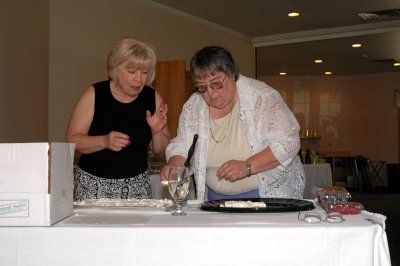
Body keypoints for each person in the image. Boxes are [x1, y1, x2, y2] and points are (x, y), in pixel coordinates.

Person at [161, 46, 304, 201]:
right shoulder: (194, 106)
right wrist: (175, 165)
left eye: (216, 84)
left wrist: (248, 166)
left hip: (263, 197)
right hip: (214, 199)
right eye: (201, 87)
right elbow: (183, 145)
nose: (209, 92)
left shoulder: (261, 97)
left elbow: (288, 142)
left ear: (232, 74)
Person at [66, 38, 171, 201]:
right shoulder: (95, 94)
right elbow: (73, 140)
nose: (139, 79)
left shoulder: (152, 98)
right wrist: (104, 141)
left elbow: (160, 150)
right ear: (115, 69)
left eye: (144, 73)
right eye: (132, 72)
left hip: (137, 186)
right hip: (92, 185)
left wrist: (157, 132)